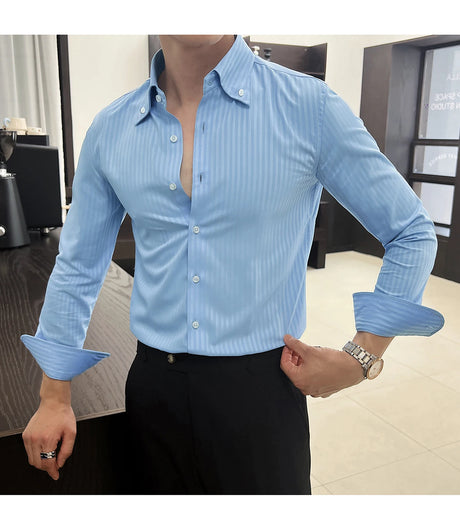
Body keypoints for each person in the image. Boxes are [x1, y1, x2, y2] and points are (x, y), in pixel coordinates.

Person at [21, 34, 444, 494]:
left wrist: (361, 357)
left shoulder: (308, 107)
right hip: (153, 388)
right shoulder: (112, 128)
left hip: (262, 392)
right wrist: (53, 394)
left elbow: (410, 230)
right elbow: (78, 264)